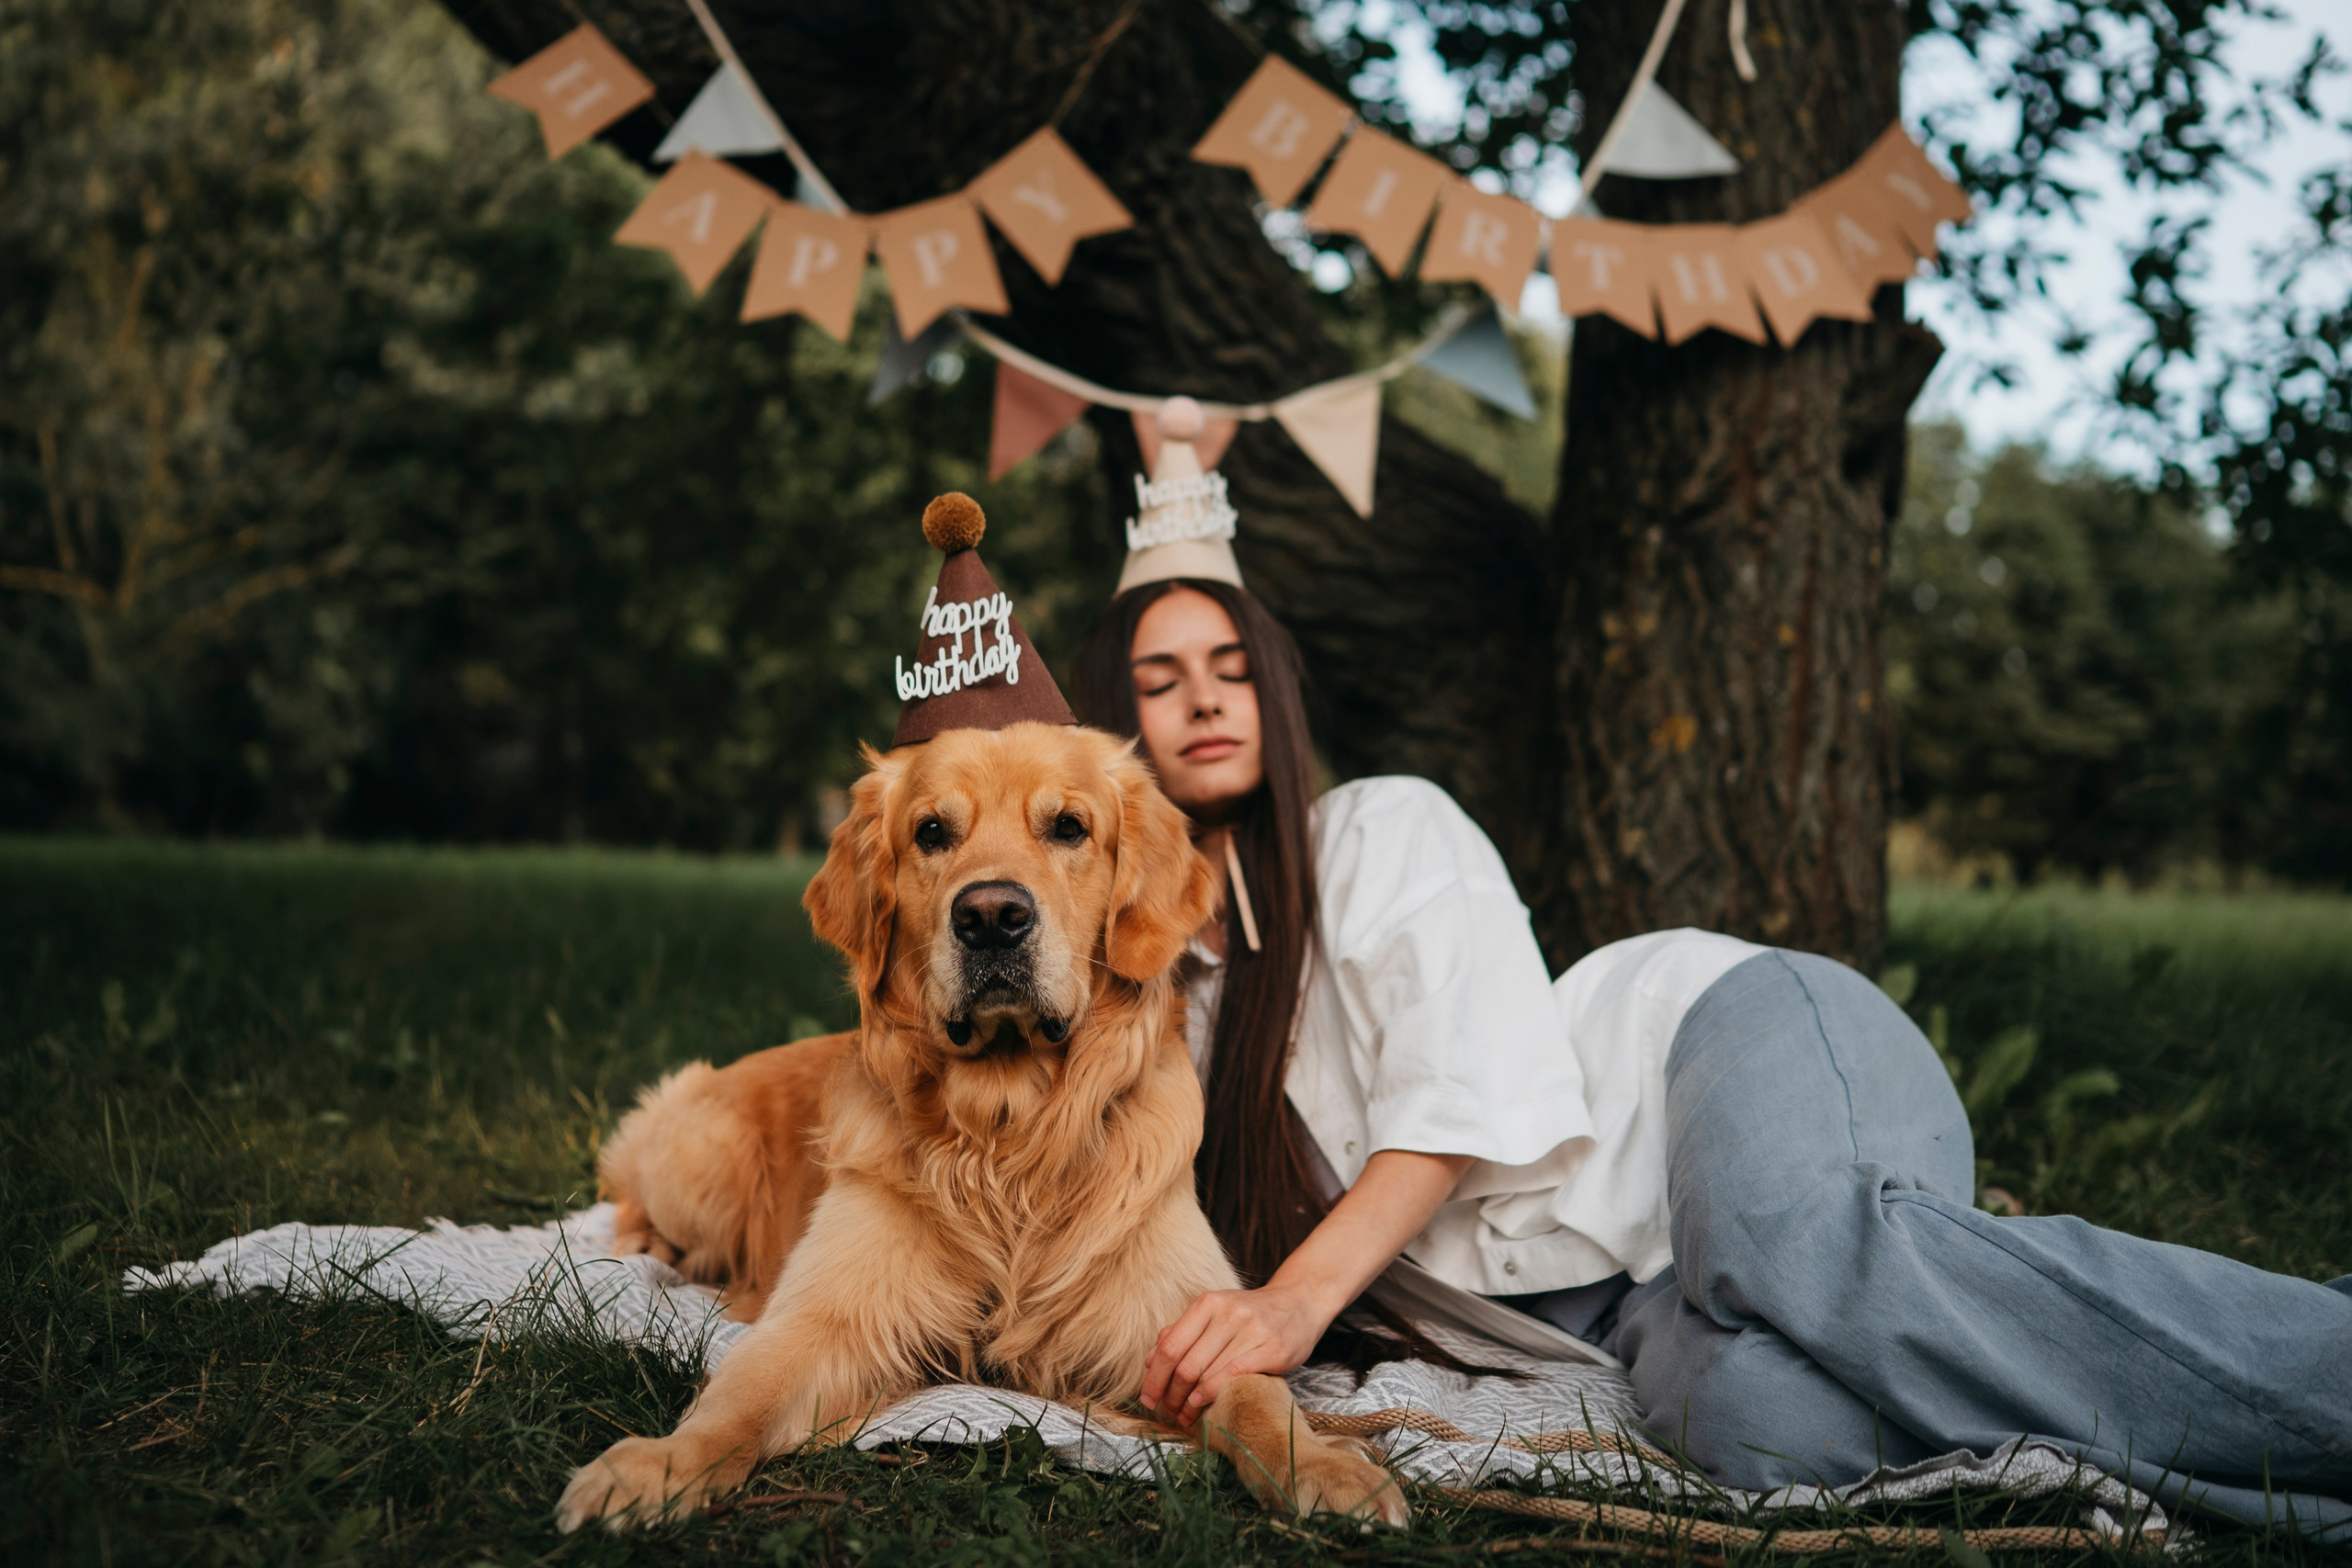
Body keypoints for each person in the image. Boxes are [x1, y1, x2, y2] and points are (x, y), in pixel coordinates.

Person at [1065, 400, 2352, 1537]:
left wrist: (1290, 1310)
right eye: (1161, 679)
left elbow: (1453, 1102)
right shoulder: (1152, 1000)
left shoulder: (1378, 828)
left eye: (1233, 669)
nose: (1204, 700)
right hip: (1613, 1307)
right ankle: (2188, 1412)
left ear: (1278, 697)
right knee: (1757, 1427)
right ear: (1114, 723)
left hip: (1715, 1051)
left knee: (1787, 1239)